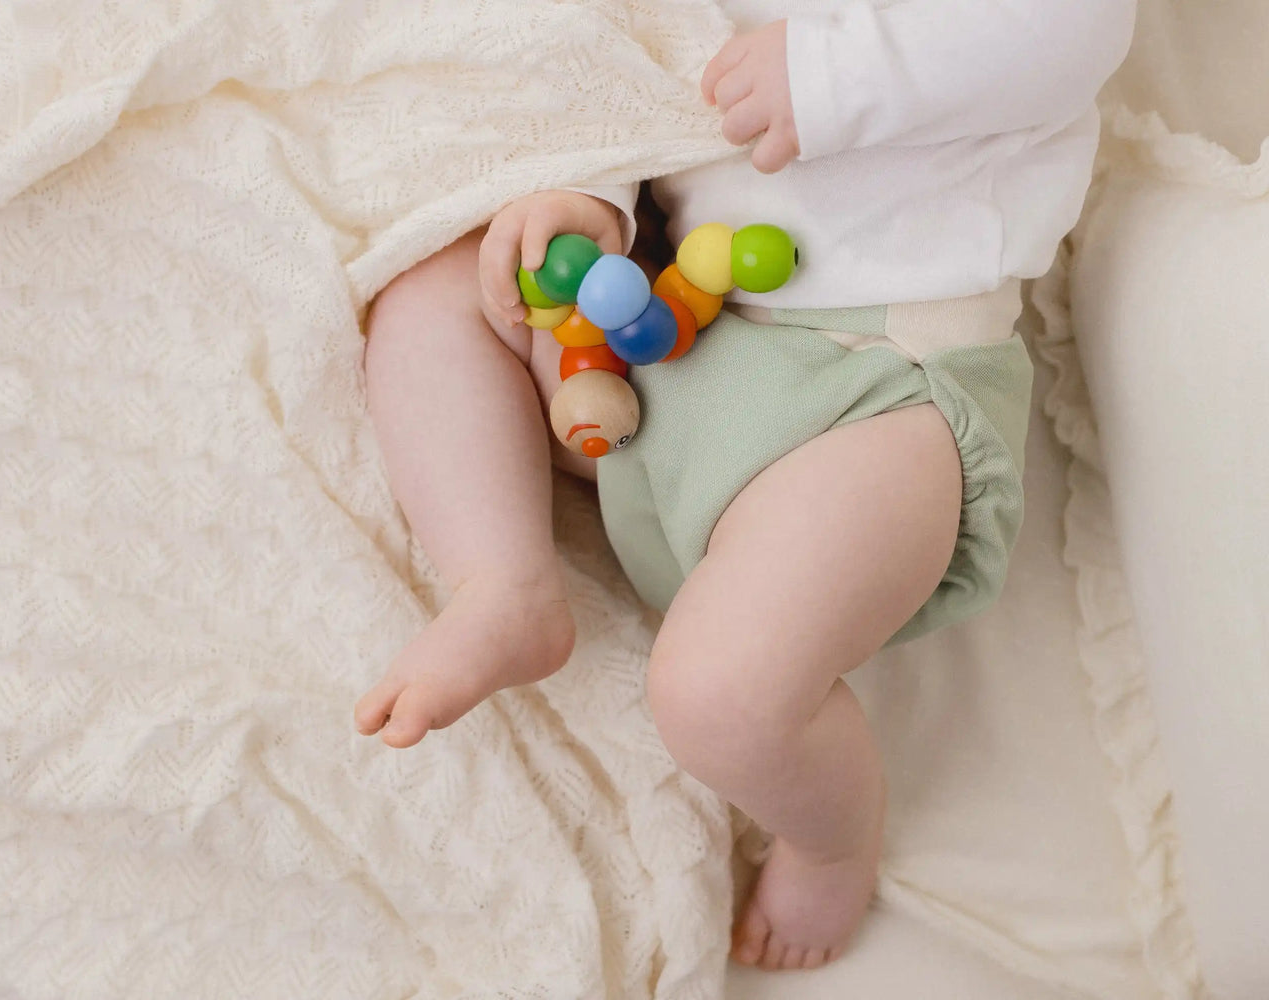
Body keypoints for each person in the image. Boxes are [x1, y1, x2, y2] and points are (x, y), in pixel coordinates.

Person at [355, 0, 1137, 971]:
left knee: (717, 700)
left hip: (876, 385)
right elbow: (641, 75)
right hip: (664, 325)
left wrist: (831, 77)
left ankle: (829, 837)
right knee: (432, 294)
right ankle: (502, 581)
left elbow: (1071, 31)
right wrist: (589, 201)